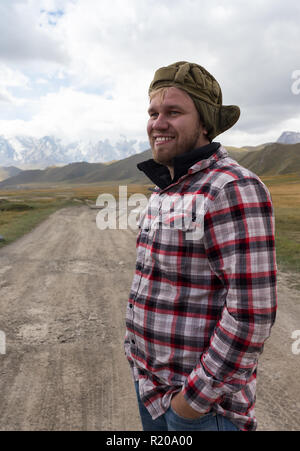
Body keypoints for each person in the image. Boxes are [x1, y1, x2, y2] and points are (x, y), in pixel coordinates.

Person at [124, 61, 277, 431]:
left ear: (205, 123)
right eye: (153, 112)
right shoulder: (165, 189)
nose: (157, 123)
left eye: (173, 112)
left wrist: (190, 404)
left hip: (201, 412)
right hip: (152, 391)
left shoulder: (231, 187)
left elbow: (251, 316)